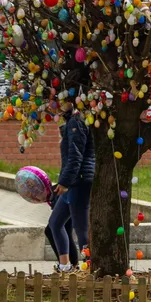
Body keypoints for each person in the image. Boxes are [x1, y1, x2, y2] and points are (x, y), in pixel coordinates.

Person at [48, 95, 95, 273]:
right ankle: (65, 266)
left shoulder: (78, 121)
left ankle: (90, 268)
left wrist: (65, 182)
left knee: (81, 229)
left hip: (79, 181)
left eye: (59, 101)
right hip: (72, 181)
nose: (55, 105)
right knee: (55, 222)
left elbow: (76, 157)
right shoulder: (72, 121)